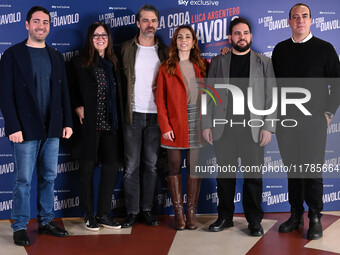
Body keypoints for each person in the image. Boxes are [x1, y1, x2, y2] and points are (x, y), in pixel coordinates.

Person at [0, 6, 73, 246]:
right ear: (27, 24)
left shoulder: (56, 56)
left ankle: (46, 220)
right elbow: (5, 95)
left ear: (49, 26)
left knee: (49, 178)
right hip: (25, 130)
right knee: (23, 181)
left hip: (52, 128)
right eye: (37, 21)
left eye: (46, 22)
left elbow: (63, 93)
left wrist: (67, 123)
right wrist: (13, 126)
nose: (41, 26)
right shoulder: (12, 55)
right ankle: (20, 225)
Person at [202, 17, 276, 236]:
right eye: (237, 33)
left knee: (253, 177)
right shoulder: (217, 62)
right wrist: (207, 124)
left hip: (253, 130)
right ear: (230, 37)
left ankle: (254, 220)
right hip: (224, 129)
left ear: (250, 36)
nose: (241, 37)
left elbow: (271, 97)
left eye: (245, 33)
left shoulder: (264, 62)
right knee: (224, 176)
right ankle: (225, 217)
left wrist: (268, 127)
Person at [272, 3, 340, 240]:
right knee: (293, 171)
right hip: (286, 123)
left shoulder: (325, 48)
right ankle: (295, 214)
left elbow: (337, 84)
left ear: (311, 20)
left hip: (314, 123)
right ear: (289, 21)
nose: (300, 20)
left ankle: (315, 217)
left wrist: (329, 113)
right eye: (295, 17)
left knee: (312, 171)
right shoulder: (280, 50)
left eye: (304, 16)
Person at [68, 22, 124, 231]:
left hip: (110, 126)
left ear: (108, 39)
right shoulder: (79, 62)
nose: (100, 38)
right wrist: (77, 107)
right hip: (89, 126)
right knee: (87, 171)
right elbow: (70, 89)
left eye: (104, 35)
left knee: (110, 169)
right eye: (95, 35)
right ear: (89, 39)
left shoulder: (113, 63)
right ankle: (88, 214)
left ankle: (103, 213)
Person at [120, 4, 169, 228]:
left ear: (158, 24)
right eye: (146, 21)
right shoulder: (125, 48)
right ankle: (131, 211)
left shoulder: (166, 52)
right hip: (133, 115)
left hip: (156, 116)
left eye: (154, 21)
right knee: (131, 166)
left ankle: (147, 210)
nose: (150, 25)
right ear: (138, 23)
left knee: (150, 165)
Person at [156, 25, 206, 230]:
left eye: (188, 37)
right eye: (179, 37)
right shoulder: (165, 67)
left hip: (197, 122)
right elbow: (160, 101)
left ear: (193, 42)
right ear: (175, 42)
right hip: (175, 123)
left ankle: (191, 213)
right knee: (175, 166)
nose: (183, 40)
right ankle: (179, 214)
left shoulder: (202, 65)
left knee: (195, 168)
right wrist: (165, 125)